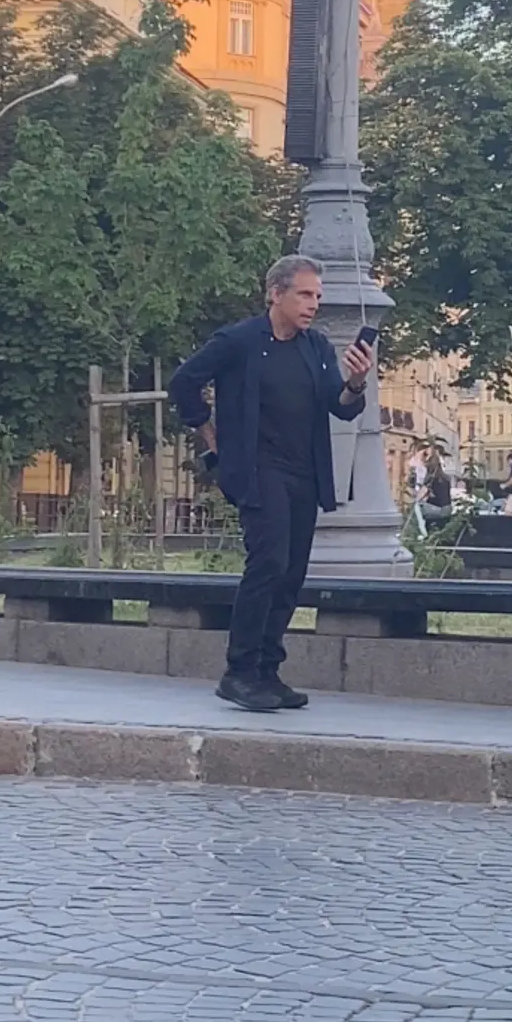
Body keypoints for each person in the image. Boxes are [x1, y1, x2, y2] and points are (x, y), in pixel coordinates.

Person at [169, 254, 372, 712]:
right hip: (259, 474)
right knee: (268, 563)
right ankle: (238, 672)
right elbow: (184, 383)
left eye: (318, 296)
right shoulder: (239, 341)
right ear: (275, 294)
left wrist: (356, 383)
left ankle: (267, 670)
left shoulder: (316, 347)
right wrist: (208, 436)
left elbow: (339, 407)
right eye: (305, 294)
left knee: (291, 575)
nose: (313, 304)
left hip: (306, 474)